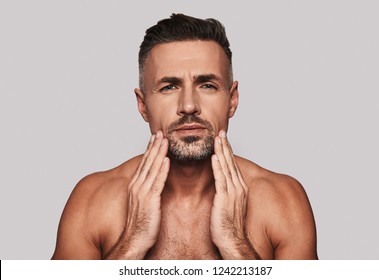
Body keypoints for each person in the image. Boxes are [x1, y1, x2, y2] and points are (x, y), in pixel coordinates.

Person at [51, 13, 318, 260]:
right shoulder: (93, 199)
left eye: (207, 85)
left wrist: (236, 245)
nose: (189, 105)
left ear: (232, 100)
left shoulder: (283, 200)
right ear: (143, 105)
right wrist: (131, 243)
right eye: (169, 87)